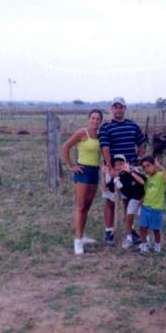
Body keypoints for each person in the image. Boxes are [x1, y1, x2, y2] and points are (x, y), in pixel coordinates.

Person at [98, 97, 146, 245]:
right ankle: (109, 232)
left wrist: (137, 158)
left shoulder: (132, 125)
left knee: (128, 200)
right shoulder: (106, 127)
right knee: (110, 201)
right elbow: (105, 148)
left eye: (121, 107)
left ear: (125, 109)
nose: (118, 110)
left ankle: (130, 231)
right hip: (113, 168)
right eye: (116, 107)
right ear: (112, 109)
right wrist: (111, 168)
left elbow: (141, 141)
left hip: (129, 168)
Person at [62, 109, 104, 255]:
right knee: (80, 207)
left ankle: (83, 235)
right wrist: (71, 166)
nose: (95, 121)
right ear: (88, 119)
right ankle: (77, 241)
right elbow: (65, 147)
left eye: (98, 119)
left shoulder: (100, 134)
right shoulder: (82, 133)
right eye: (93, 118)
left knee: (87, 206)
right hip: (83, 171)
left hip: (94, 172)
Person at [101, 154, 146, 249]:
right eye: (116, 165)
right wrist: (104, 174)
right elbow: (107, 188)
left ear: (126, 164)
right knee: (129, 217)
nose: (118, 167)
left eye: (121, 164)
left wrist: (130, 171)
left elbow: (143, 182)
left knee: (144, 219)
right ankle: (129, 238)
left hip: (144, 199)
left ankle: (146, 240)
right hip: (134, 199)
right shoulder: (117, 179)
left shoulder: (132, 172)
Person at [133, 155, 166, 254]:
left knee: (156, 229)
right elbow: (146, 192)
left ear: (154, 165)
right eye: (144, 167)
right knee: (142, 227)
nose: (146, 169)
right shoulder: (146, 178)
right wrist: (140, 204)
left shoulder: (160, 175)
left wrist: (161, 167)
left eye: (148, 166)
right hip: (145, 207)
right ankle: (144, 244)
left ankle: (157, 244)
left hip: (156, 208)